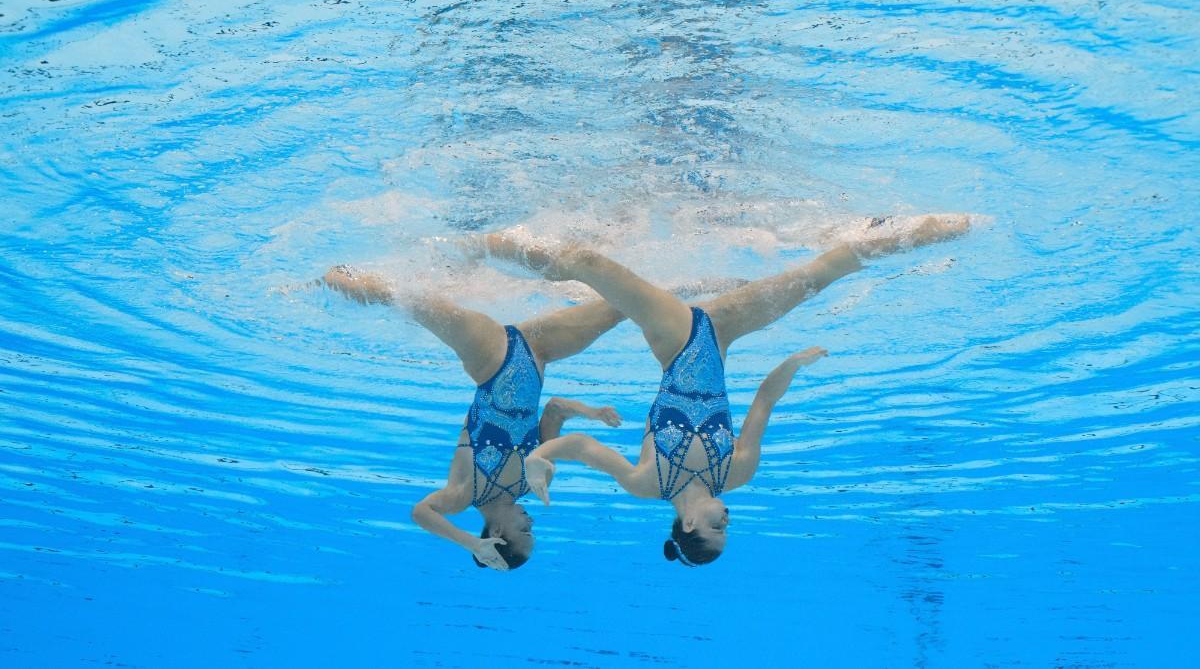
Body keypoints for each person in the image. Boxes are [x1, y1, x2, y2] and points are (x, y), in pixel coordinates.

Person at [474, 214, 972, 566]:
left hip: (676, 338)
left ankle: (484, 245)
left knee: (589, 263)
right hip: (722, 333)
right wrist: (794, 364)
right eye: (728, 528)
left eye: (718, 528)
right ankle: (930, 228)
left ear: (688, 526)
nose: (727, 519)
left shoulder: (646, 483)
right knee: (818, 275)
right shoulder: (739, 471)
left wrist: (541, 459)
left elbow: (581, 447)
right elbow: (764, 401)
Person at [322, 265, 625, 570]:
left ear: (495, 534)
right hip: (538, 352)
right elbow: (557, 408)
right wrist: (592, 413)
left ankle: (332, 278)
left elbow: (421, 512)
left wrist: (471, 543)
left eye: (525, 531)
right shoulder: (534, 481)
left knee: (409, 298)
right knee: (625, 304)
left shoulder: (466, 492)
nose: (531, 521)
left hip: (490, 358)